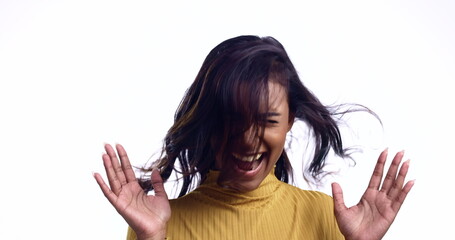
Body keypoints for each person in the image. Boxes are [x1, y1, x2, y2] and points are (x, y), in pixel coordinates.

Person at [94, 35, 414, 240]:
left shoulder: (327, 219)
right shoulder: (162, 226)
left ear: (290, 121)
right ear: (209, 123)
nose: (248, 140)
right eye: (233, 120)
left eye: (266, 121)